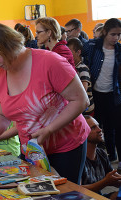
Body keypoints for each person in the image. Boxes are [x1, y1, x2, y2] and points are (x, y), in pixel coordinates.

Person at [0, 23, 90, 184]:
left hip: (66, 145)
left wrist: (50, 129)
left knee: (66, 192)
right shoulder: (0, 76)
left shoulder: (50, 62)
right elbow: (2, 115)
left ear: (10, 47)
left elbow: (81, 100)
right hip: (33, 149)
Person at [82, 18, 121, 162]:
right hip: (96, 93)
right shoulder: (92, 46)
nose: (116, 38)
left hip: (113, 95)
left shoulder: (119, 50)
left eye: (119, 34)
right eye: (113, 34)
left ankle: (113, 157)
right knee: (97, 127)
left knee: (115, 127)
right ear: (104, 32)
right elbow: (79, 55)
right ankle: (98, 158)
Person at [81, 116, 121, 199]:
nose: (100, 130)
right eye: (93, 128)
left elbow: (114, 177)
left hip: (98, 196)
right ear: (82, 132)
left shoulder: (101, 153)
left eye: (98, 126)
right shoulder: (77, 158)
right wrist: (105, 182)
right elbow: (76, 190)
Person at [67, 38, 94, 115]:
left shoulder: (83, 69)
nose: (67, 55)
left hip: (86, 109)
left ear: (78, 52)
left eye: (69, 52)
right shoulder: (73, 66)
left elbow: (83, 91)